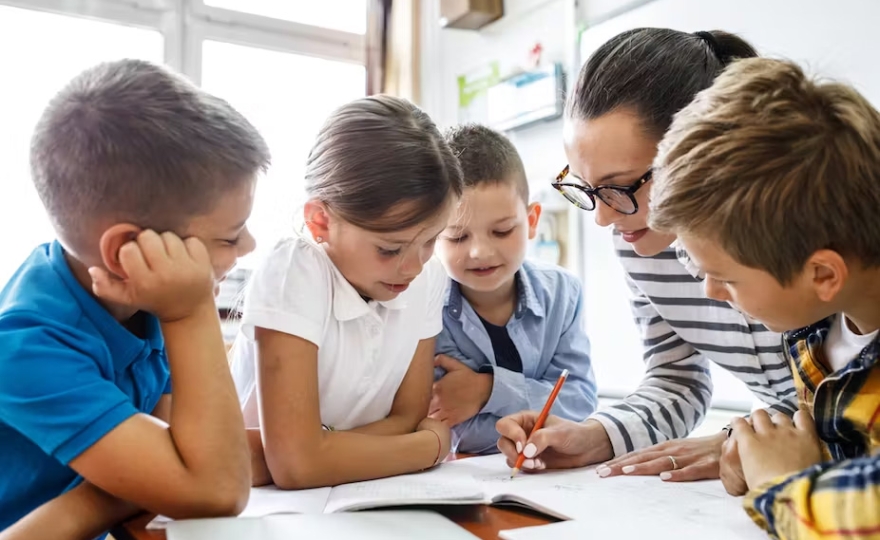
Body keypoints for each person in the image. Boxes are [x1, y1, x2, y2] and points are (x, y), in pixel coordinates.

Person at [495, 28, 796, 486]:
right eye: (586, 188)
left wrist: (742, 438)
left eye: (619, 186)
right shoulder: (636, 236)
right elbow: (677, 377)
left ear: (701, 151)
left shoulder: (809, 225)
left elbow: (850, 391)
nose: (602, 219)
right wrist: (596, 436)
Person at [0, 59, 268, 539]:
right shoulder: (24, 347)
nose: (248, 247)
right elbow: (220, 487)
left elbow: (190, 458)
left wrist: (105, 498)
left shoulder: (144, 299)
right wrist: (191, 313)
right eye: (229, 238)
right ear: (127, 251)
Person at [649, 57, 880, 539]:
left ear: (821, 274)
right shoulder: (815, 329)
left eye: (725, 279)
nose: (709, 291)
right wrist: (761, 446)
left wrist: (781, 484)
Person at [230, 95, 463, 488]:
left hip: (357, 497)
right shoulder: (295, 269)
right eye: (389, 249)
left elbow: (407, 416)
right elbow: (296, 466)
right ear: (321, 221)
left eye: (431, 241)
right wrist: (430, 448)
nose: (413, 266)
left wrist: (314, 451)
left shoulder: (428, 277)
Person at [431, 124, 597, 454]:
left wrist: (488, 390)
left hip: (551, 473)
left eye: (502, 231)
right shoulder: (427, 306)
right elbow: (450, 423)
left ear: (532, 220)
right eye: (458, 237)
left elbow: (579, 402)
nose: (480, 252)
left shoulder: (563, 293)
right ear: (431, 234)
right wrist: (538, 408)